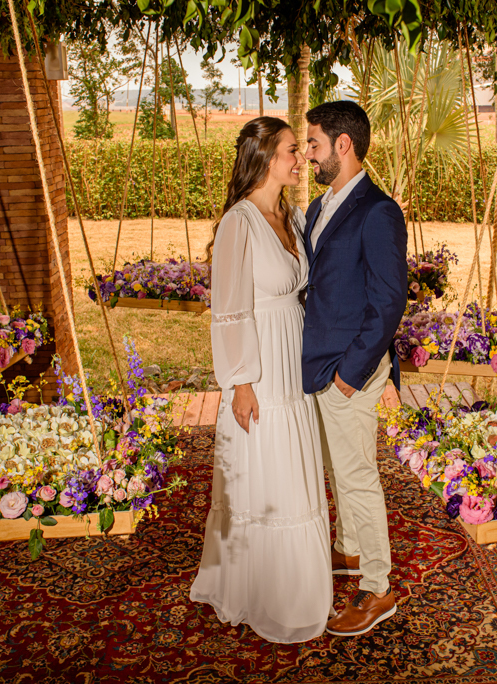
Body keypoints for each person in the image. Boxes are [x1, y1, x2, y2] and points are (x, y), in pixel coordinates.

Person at [190, 117, 333, 643]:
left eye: (300, 150)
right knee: (266, 470)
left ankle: (299, 589)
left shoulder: (291, 215)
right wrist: (242, 382)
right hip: (260, 366)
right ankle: (262, 590)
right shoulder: (239, 223)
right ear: (266, 158)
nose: (302, 159)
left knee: (295, 467)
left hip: (294, 354)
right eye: (293, 150)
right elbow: (228, 309)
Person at [301, 101, 408, 637]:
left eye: (314, 144)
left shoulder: (378, 211)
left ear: (343, 145)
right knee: (337, 470)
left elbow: (389, 301)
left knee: (358, 478)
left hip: (350, 372)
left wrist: (351, 373)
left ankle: (377, 588)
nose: (307, 155)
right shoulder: (318, 207)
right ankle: (348, 549)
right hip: (318, 365)